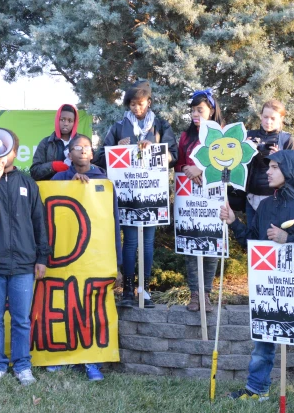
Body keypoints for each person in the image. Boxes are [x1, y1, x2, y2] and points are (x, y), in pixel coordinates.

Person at [220, 150, 294, 413]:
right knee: (263, 343)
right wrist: (234, 223)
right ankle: (256, 389)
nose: (267, 172)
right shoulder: (266, 207)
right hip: (271, 290)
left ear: (290, 170)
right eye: (268, 167)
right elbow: (254, 241)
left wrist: (290, 238)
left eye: (273, 167)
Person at [0, 129, 49, 386]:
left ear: (15, 151)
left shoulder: (28, 184)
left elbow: (39, 222)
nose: (4, 153)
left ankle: (22, 365)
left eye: (9, 148)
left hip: (23, 262)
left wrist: (42, 257)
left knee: (21, 319)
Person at [94, 80, 178, 308]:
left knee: (148, 243)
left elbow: (174, 156)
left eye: (140, 104)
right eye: (132, 104)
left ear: (149, 102)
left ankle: (145, 289)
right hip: (128, 195)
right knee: (130, 242)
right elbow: (100, 158)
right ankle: (129, 290)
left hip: (152, 193)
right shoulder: (118, 126)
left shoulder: (160, 126)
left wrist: (156, 151)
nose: (136, 108)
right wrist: (117, 150)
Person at [46, 133, 121, 381]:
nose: (81, 151)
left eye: (86, 147)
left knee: (92, 308)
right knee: (66, 307)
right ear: (69, 154)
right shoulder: (57, 179)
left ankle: (92, 362)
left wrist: (117, 263)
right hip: (65, 256)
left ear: (91, 152)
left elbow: (113, 222)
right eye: (76, 147)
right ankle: (63, 357)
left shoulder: (104, 181)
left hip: (95, 257)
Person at [175, 88, 223, 313]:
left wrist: (202, 170)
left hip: (212, 198)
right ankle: (194, 294)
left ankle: (207, 294)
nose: (195, 114)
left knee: (212, 245)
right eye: (193, 110)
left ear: (211, 111)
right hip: (189, 199)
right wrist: (187, 168)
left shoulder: (221, 135)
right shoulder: (186, 137)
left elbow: (227, 167)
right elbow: (178, 165)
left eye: (200, 110)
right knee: (191, 245)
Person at [245, 99, 294, 227]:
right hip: (250, 196)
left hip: (276, 198)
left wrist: (280, 158)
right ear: (261, 116)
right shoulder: (249, 136)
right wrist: (244, 149)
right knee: (252, 239)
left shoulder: (287, 140)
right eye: (265, 117)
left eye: (273, 118)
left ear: (281, 118)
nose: (268, 122)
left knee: (271, 239)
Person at [30, 104, 78, 181]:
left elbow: (91, 168)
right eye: (62, 119)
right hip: (52, 190)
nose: (66, 123)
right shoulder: (46, 143)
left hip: (77, 189)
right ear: (57, 120)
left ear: (74, 123)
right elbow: (34, 172)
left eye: (70, 121)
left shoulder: (82, 142)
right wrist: (52, 166)